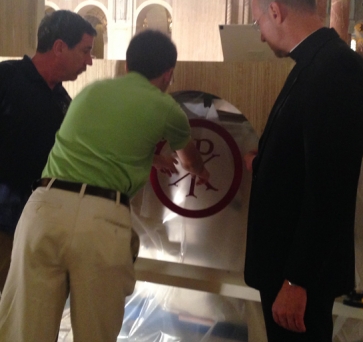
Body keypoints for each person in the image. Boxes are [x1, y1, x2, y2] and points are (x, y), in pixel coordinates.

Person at [0, 29, 209, 342]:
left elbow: (97, 141)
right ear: (169, 74)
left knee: (23, 330)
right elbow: (190, 162)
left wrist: (149, 156)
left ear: (127, 65)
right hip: (99, 220)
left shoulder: (90, 92)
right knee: (95, 331)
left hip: (42, 208)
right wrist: (204, 171)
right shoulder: (167, 109)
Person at [243, 0, 363, 342]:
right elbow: (304, 156)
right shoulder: (313, 63)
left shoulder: (335, 69)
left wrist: (297, 280)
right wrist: (264, 162)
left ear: (276, 11)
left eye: (258, 22)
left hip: (297, 276)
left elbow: (329, 187)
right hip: (285, 268)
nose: (261, 34)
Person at [0, 9, 96, 294]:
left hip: (36, 224)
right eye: (85, 51)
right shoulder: (7, 77)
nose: (90, 61)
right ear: (59, 47)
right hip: (3, 219)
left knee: (21, 308)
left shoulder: (62, 99)